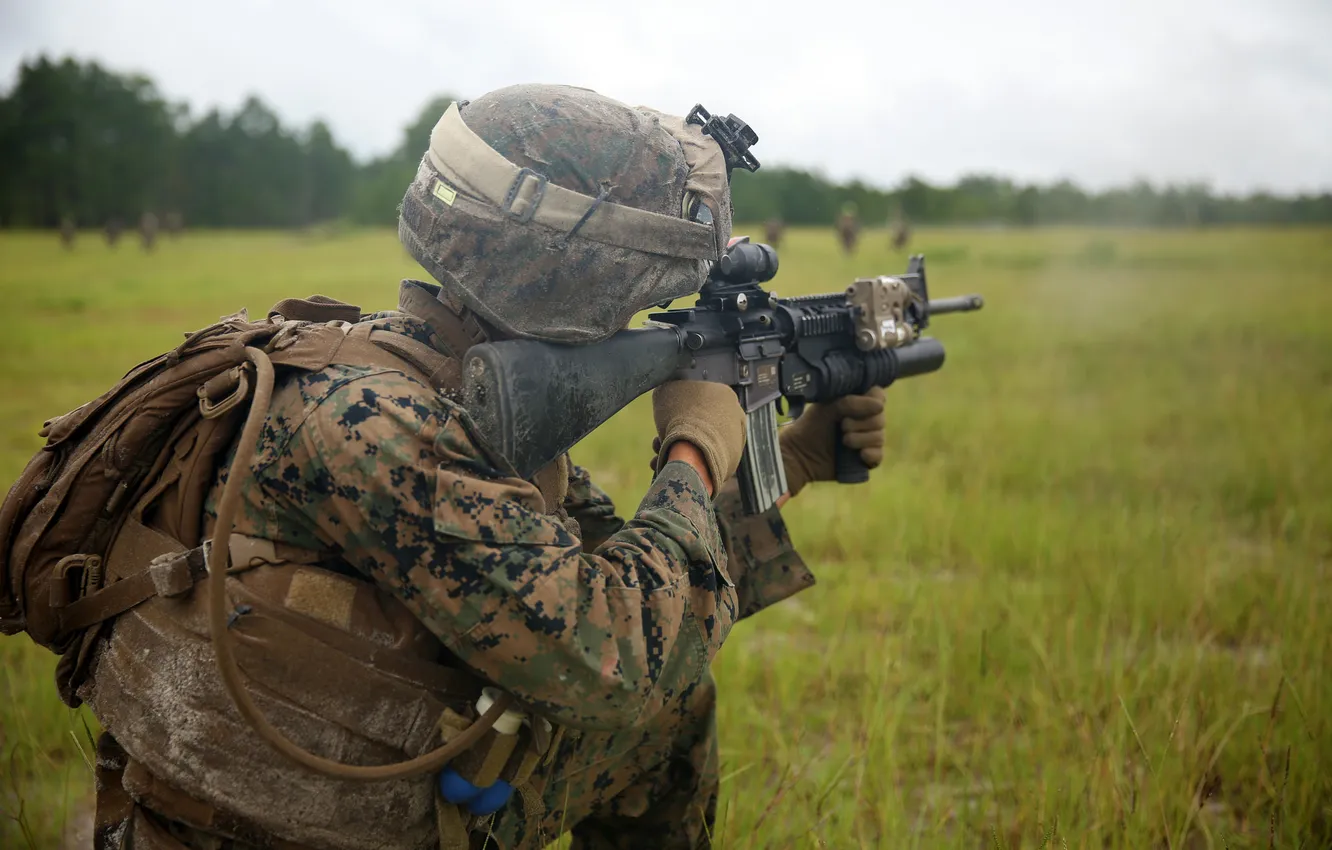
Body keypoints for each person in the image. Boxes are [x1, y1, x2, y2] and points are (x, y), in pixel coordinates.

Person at [82, 84, 889, 850]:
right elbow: (619, 662)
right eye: (632, 300)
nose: (632, 322)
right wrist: (693, 453)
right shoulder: (380, 429)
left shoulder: (414, 373)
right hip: (263, 827)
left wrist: (793, 458)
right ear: (572, 277)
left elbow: (603, 573)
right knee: (667, 710)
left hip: (290, 801)